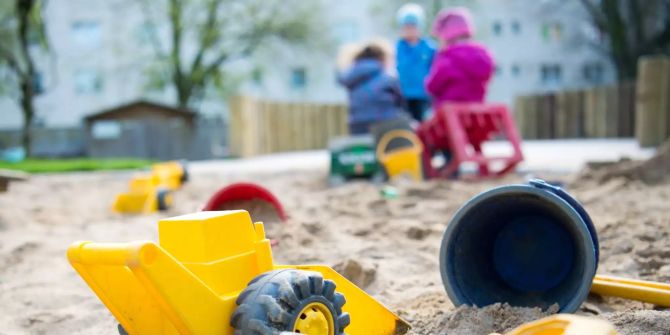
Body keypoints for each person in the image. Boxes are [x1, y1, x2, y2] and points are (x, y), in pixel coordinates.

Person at [425, 7, 494, 107]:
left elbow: (432, 86)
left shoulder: (448, 57)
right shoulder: (483, 56)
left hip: (449, 114)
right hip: (474, 113)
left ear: (446, 35)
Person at [338, 44, 404, 135]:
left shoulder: (351, 76)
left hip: (357, 122)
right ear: (382, 58)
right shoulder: (388, 78)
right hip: (385, 122)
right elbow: (400, 101)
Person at [395, 3, 435, 122]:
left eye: (413, 26)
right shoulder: (397, 48)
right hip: (403, 96)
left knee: (423, 125)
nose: (410, 30)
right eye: (406, 26)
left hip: (423, 96)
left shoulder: (429, 48)